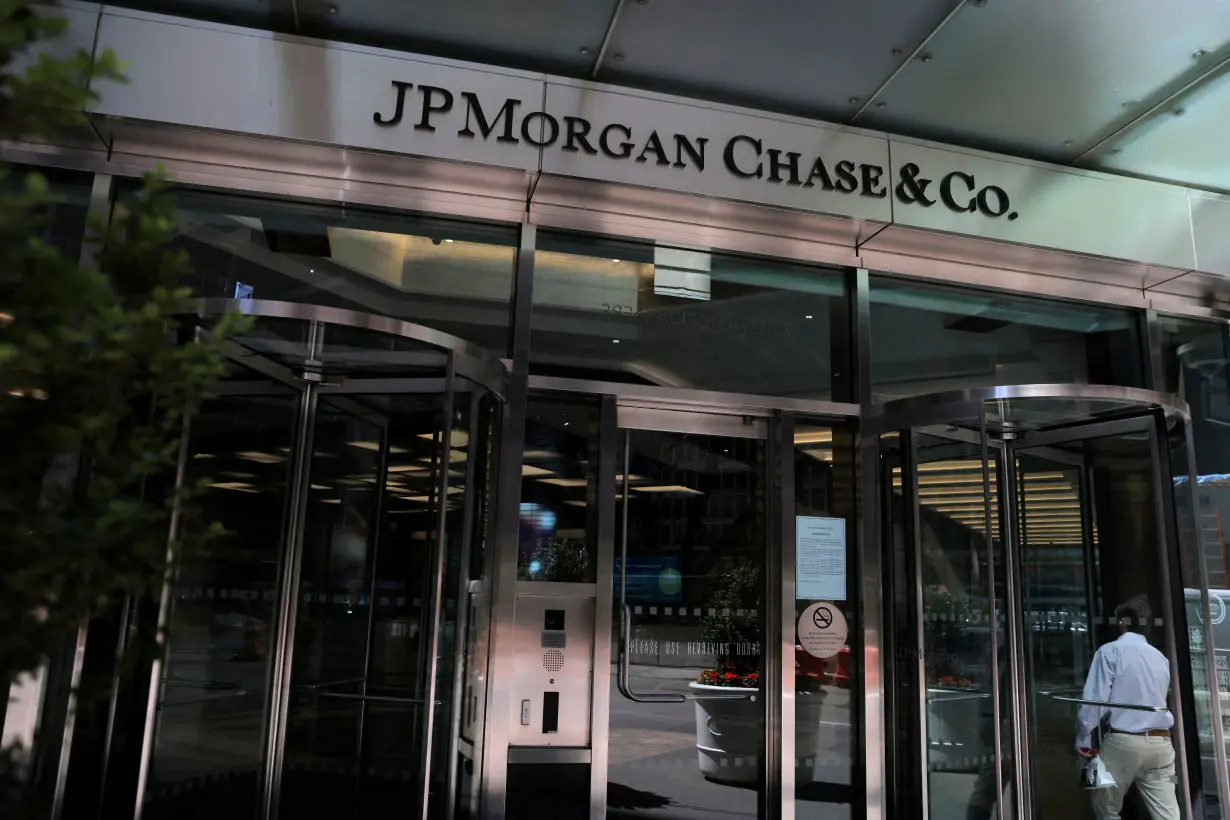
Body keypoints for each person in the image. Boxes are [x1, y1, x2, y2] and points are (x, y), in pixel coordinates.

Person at [1075, 595, 1178, 820]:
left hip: (1124, 742)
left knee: (1106, 807)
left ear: (1123, 621)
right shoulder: (1160, 658)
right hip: (1161, 744)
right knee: (1167, 815)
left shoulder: (1110, 651)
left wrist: (1083, 737)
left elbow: (1096, 700)